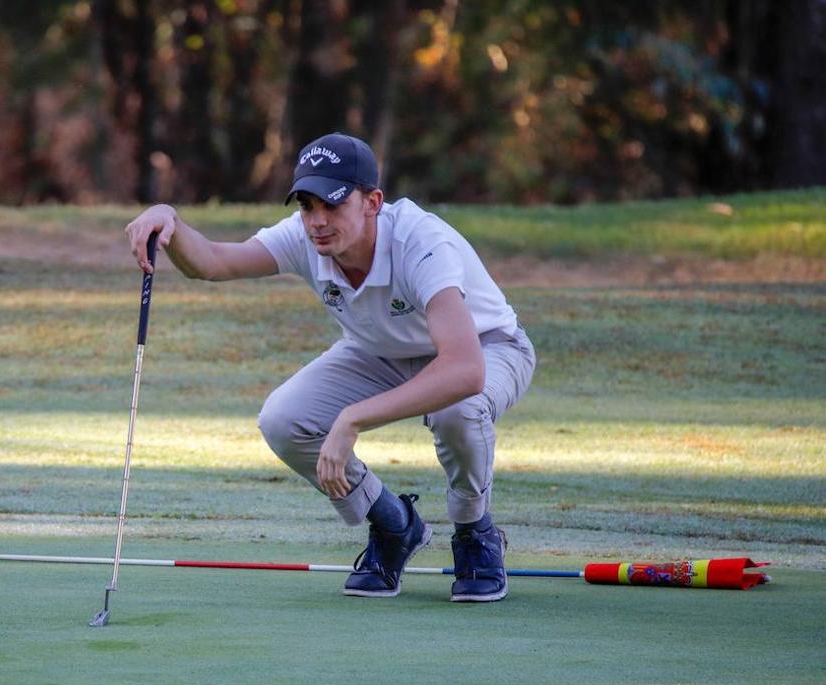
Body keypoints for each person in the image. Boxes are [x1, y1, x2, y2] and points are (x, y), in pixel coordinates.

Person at [123, 132, 535, 602]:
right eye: (306, 205)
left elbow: (464, 370)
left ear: (373, 202)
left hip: (489, 348)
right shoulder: (305, 237)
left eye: (332, 205)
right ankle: (395, 525)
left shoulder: (422, 243)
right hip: (378, 352)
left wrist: (351, 419)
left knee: (457, 408)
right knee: (283, 420)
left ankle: (474, 532)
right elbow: (214, 262)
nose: (317, 222)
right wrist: (169, 219)